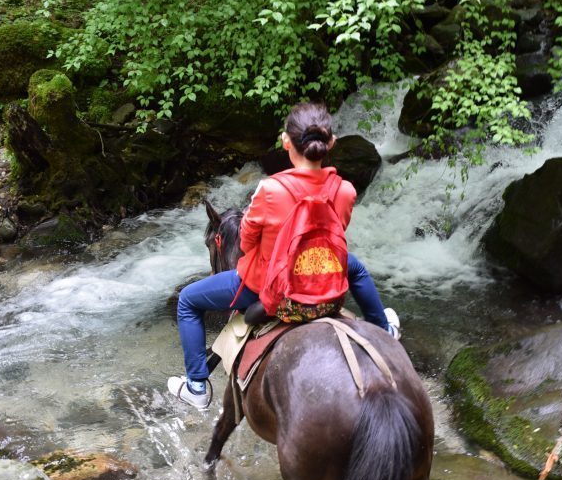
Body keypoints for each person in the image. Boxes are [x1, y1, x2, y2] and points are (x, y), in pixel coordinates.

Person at [168, 102, 400, 409]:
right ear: (330, 143)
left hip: (268, 285)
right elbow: (336, 232)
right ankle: (383, 329)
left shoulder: (270, 189)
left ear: (286, 142)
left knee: (187, 300)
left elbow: (248, 242)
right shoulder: (344, 189)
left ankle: (196, 386)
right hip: (323, 276)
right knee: (354, 268)